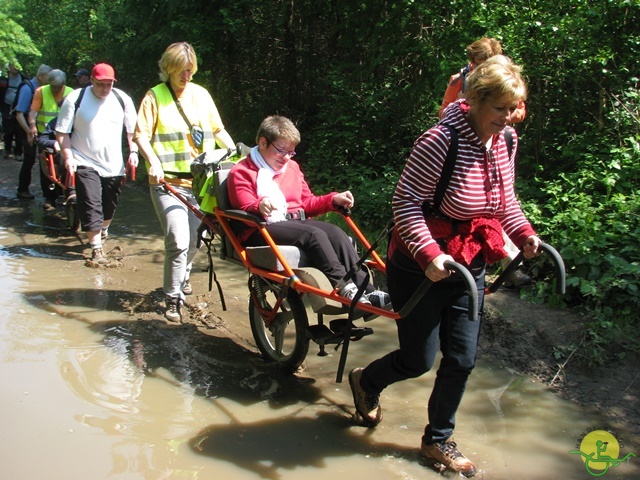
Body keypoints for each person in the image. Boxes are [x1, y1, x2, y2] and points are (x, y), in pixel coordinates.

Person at [348, 56, 540, 477]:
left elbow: (505, 201)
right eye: (500, 109)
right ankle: (366, 382)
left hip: (470, 260)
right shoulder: (439, 141)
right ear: (475, 100)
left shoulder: (506, 140)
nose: (508, 118)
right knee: (419, 359)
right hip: (422, 264)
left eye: (514, 109)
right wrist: (428, 253)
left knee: (463, 358)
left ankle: (437, 440)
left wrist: (523, 233)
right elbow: (404, 204)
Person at [227, 115, 391, 311]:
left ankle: (367, 289)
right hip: (261, 228)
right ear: (263, 142)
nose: (286, 157)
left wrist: (332, 199)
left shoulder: (292, 168)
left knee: (334, 231)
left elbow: (306, 202)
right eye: (281, 150)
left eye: (291, 152)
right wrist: (260, 205)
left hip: (295, 224)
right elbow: (245, 207)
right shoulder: (241, 171)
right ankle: (344, 286)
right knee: (314, 234)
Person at [134, 41, 236, 322]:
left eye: (190, 70)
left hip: (201, 186)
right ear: (168, 68)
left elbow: (217, 130)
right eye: (181, 70)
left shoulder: (202, 95)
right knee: (178, 240)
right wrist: (152, 162)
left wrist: (240, 156)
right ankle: (173, 298)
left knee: (193, 242)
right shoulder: (154, 97)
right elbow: (140, 134)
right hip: (167, 184)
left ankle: (184, 275)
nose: (186, 76)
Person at [440, 39, 530, 287]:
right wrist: (465, 110)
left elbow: (519, 112)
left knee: (495, 199)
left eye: (480, 62)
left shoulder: (506, 81)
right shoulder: (458, 79)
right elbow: (445, 109)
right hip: (464, 142)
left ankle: (509, 263)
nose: (476, 66)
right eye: (474, 62)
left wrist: (500, 114)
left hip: (493, 142)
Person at [56, 63, 138, 264]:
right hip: (83, 159)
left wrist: (134, 151)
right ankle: (96, 249)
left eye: (109, 84)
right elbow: (62, 132)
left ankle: (103, 231)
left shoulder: (122, 99)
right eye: (101, 84)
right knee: (91, 203)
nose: (105, 88)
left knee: (109, 205)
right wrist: (68, 156)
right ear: (91, 80)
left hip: (113, 164)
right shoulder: (76, 99)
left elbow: (133, 131)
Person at [28, 69, 73, 209]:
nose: (57, 89)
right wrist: (32, 126)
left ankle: (72, 191)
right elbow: (33, 111)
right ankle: (50, 197)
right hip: (48, 134)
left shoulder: (71, 92)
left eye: (59, 87)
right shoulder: (41, 91)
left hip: (70, 135)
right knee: (47, 165)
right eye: (54, 87)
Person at [15, 64, 52, 200]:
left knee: (43, 159)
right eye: (49, 77)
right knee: (29, 159)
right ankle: (22, 189)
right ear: (40, 76)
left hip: (37, 128)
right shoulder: (28, 89)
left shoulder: (44, 89)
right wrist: (28, 131)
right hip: (25, 127)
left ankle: (50, 192)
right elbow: (19, 114)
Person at [1, 64, 27, 160]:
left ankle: (18, 152)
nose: (15, 68)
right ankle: (7, 149)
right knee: (8, 129)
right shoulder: (3, 78)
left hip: (19, 107)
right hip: (6, 106)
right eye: (13, 66)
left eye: (17, 66)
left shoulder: (24, 79)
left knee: (19, 129)